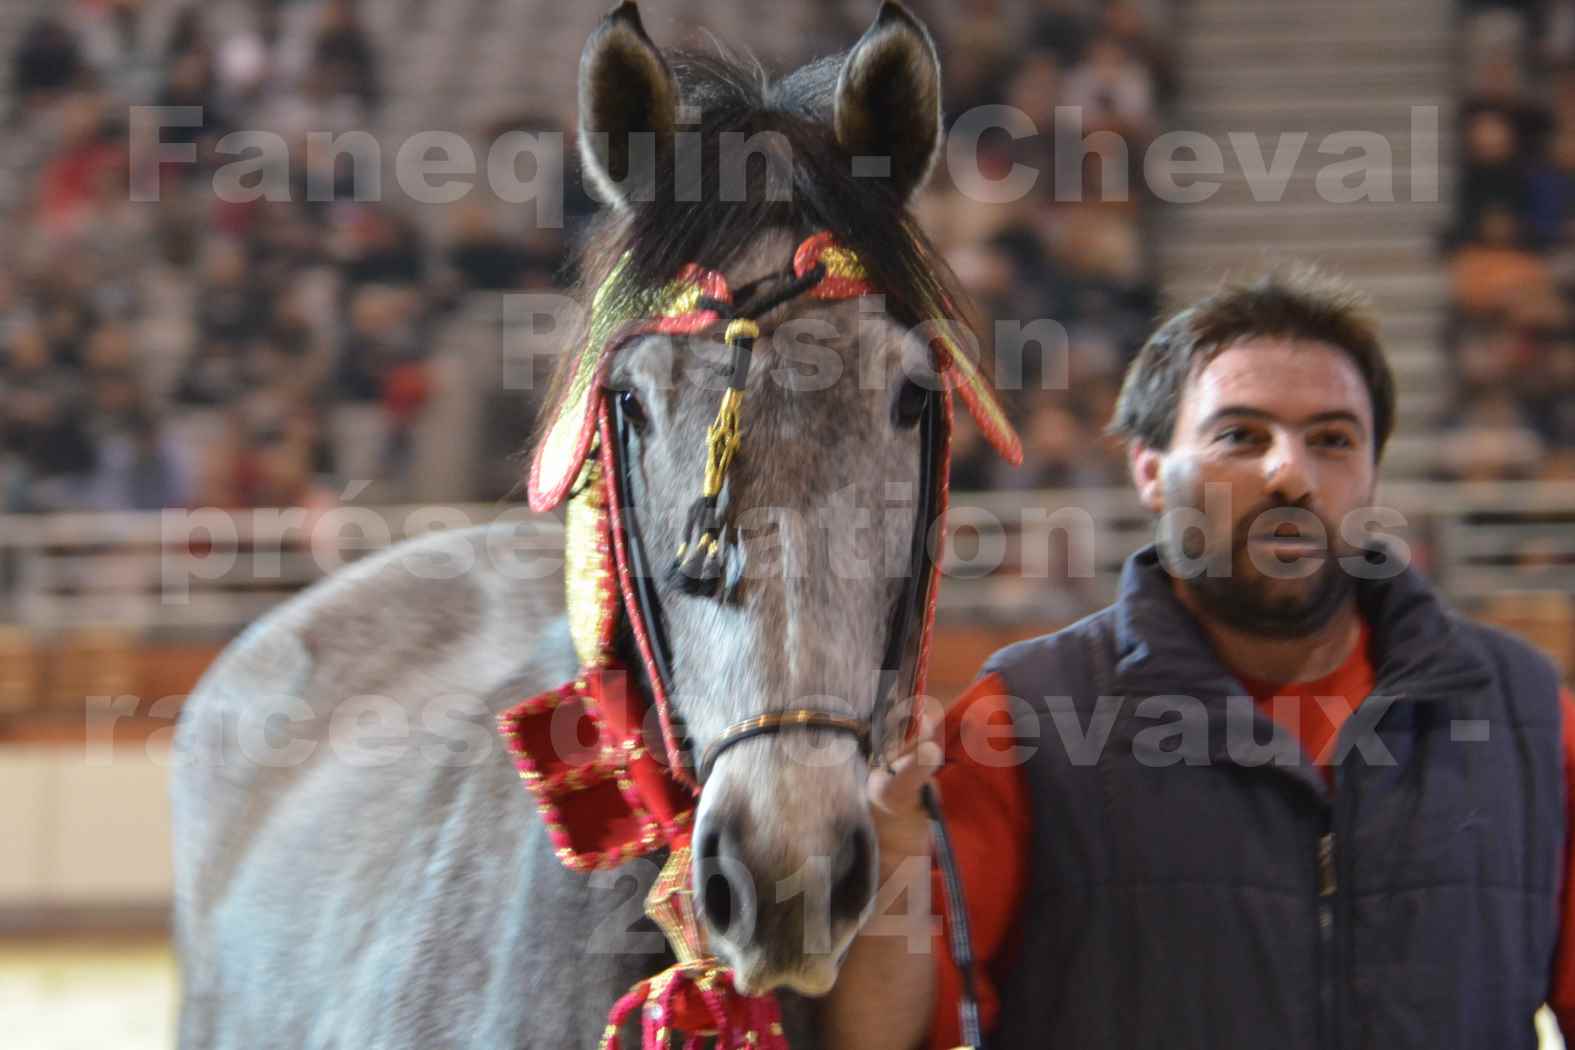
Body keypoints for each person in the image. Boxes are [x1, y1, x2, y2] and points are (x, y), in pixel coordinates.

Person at [823, 270, 1575, 1049]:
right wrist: (892, 845)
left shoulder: (1522, 713)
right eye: (1239, 436)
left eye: (1332, 440)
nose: (1288, 472)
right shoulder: (1021, 719)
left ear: (1371, 475)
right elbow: (886, 1039)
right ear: (1148, 471)